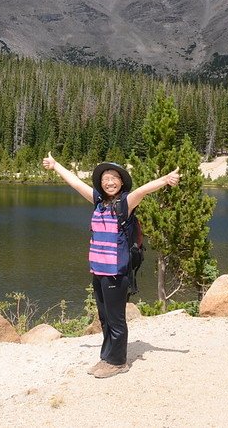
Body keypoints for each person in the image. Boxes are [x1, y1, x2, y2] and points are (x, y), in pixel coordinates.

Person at [42, 151, 180, 378]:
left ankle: (118, 362)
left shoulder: (125, 204)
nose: (109, 181)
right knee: (104, 316)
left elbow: (143, 190)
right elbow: (76, 184)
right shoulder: (98, 202)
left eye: (114, 178)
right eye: (105, 178)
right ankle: (106, 356)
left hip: (116, 271)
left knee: (116, 318)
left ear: (121, 181)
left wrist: (165, 180)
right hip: (98, 269)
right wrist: (56, 165)